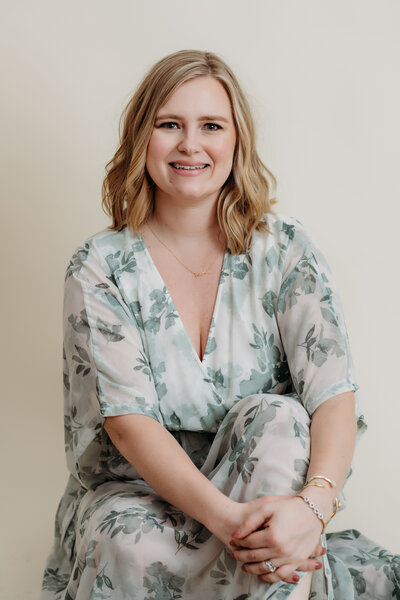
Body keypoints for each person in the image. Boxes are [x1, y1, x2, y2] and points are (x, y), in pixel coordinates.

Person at [41, 49, 399, 600]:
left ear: (237, 140)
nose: (191, 144)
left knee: (278, 418)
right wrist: (230, 521)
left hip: (269, 500)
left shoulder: (284, 250)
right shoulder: (100, 266)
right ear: (143, 138)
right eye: (169, 125)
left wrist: (313, 508)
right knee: (126, 542)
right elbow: (127, 422)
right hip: (144, 505)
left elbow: (333, 394)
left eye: (211, 125)